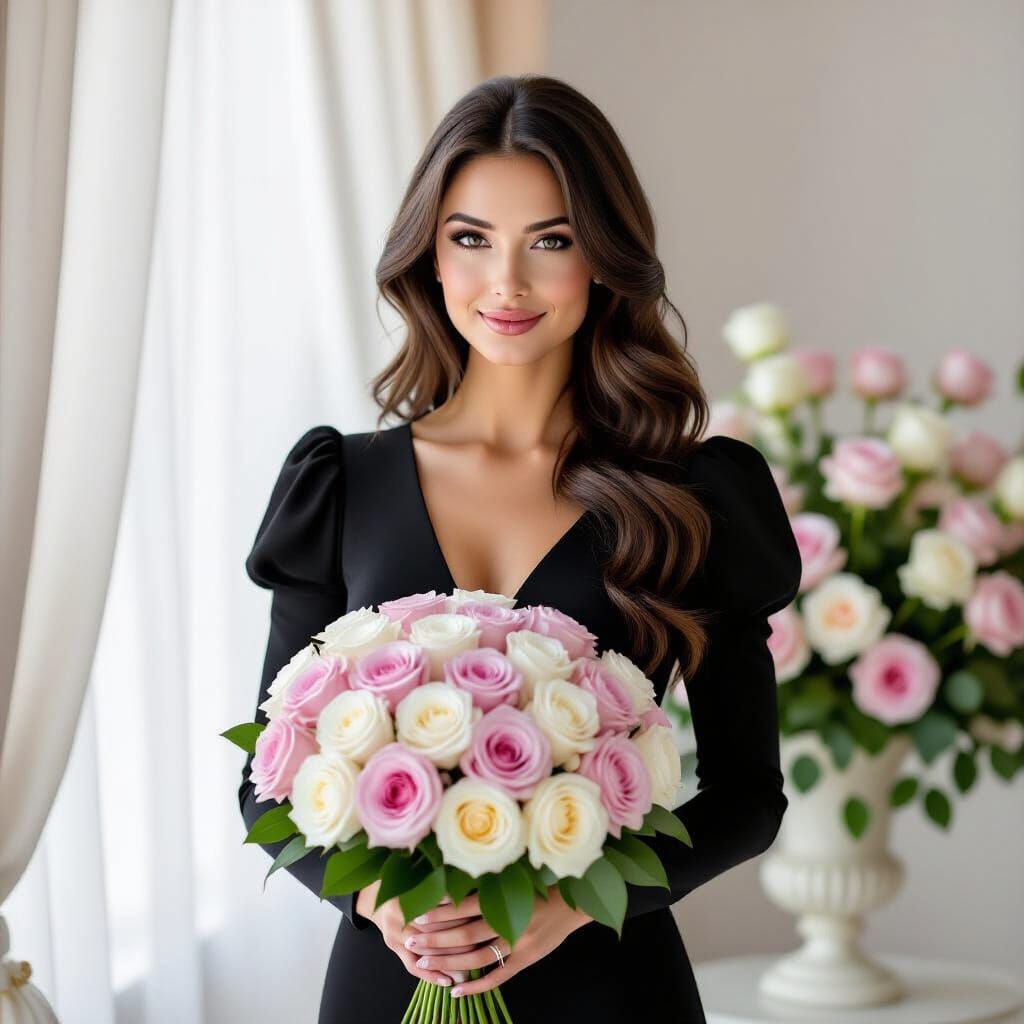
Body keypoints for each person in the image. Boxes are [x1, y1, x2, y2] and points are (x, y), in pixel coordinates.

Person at [238, 74, 802, 1023]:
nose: (506, 283)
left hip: (610, 984)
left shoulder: (695, 495)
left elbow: (749, 796)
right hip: (390, 981)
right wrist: (380, 904)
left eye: (552, 241)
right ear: (430, 255)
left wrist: (572, 903)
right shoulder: (339, 484)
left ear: (605, 258)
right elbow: (265, 783)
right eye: (472, 239)